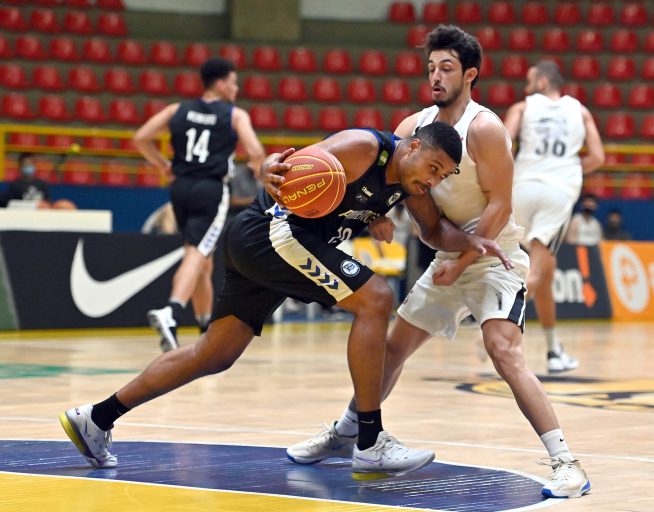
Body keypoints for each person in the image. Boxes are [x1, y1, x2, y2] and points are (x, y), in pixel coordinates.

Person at [59, 121, 513, 480]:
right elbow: (291, 167)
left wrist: (473, 242)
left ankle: (97, 417)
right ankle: (369, 441)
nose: (432, 180)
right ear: (412, 147)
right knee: (376, 298)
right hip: (273, 233)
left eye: (442, 176)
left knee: (214, 353)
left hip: (264, 245)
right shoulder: (363, 147)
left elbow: (433, 230)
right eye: (432, 168)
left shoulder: (407, 185)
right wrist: (268, 168)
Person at [287, 26, 590, 499]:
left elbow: (501, 206)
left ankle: (567, 463)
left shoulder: (485, 128)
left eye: (446, 68)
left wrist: (465, 259)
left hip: (495, 259)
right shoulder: (414, 127)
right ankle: (350, 429)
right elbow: (393, 180)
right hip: (449, 255)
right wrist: (378, 215)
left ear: (470, 75)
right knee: (391, 349)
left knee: (503, 351)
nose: (435, 76)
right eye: (431, 68)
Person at [134, 57, 265, 352]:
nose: (236, 88)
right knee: (197, 252)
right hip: (210, 189)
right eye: (233, 82)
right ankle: (171, 311)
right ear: (221, 84)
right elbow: (255, 151)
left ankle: (205, 327)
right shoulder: (235, 115)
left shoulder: (176, 110)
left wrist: (163, 165)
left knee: (203, 260)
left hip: (180, 188)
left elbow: (141, 138)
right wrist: (259, 171)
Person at [504, 61, 605, 373]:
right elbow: (598, 157)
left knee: (545, 268)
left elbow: (503, 145)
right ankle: (503, 322)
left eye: (530, 80)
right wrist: (569, 169)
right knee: (539, 266)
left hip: (521, 188)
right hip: (558, 191)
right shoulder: (581, 111)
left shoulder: (522, 107)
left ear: (543, 82)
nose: (526, 87)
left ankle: (553, 350)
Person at [1, 152, 76, 209]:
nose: (28, 166)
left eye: (30, 164)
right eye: (25, 164)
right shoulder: (14, 185)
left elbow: (48, 202)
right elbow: (9, 205)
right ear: (20, 166)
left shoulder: (42, 184)